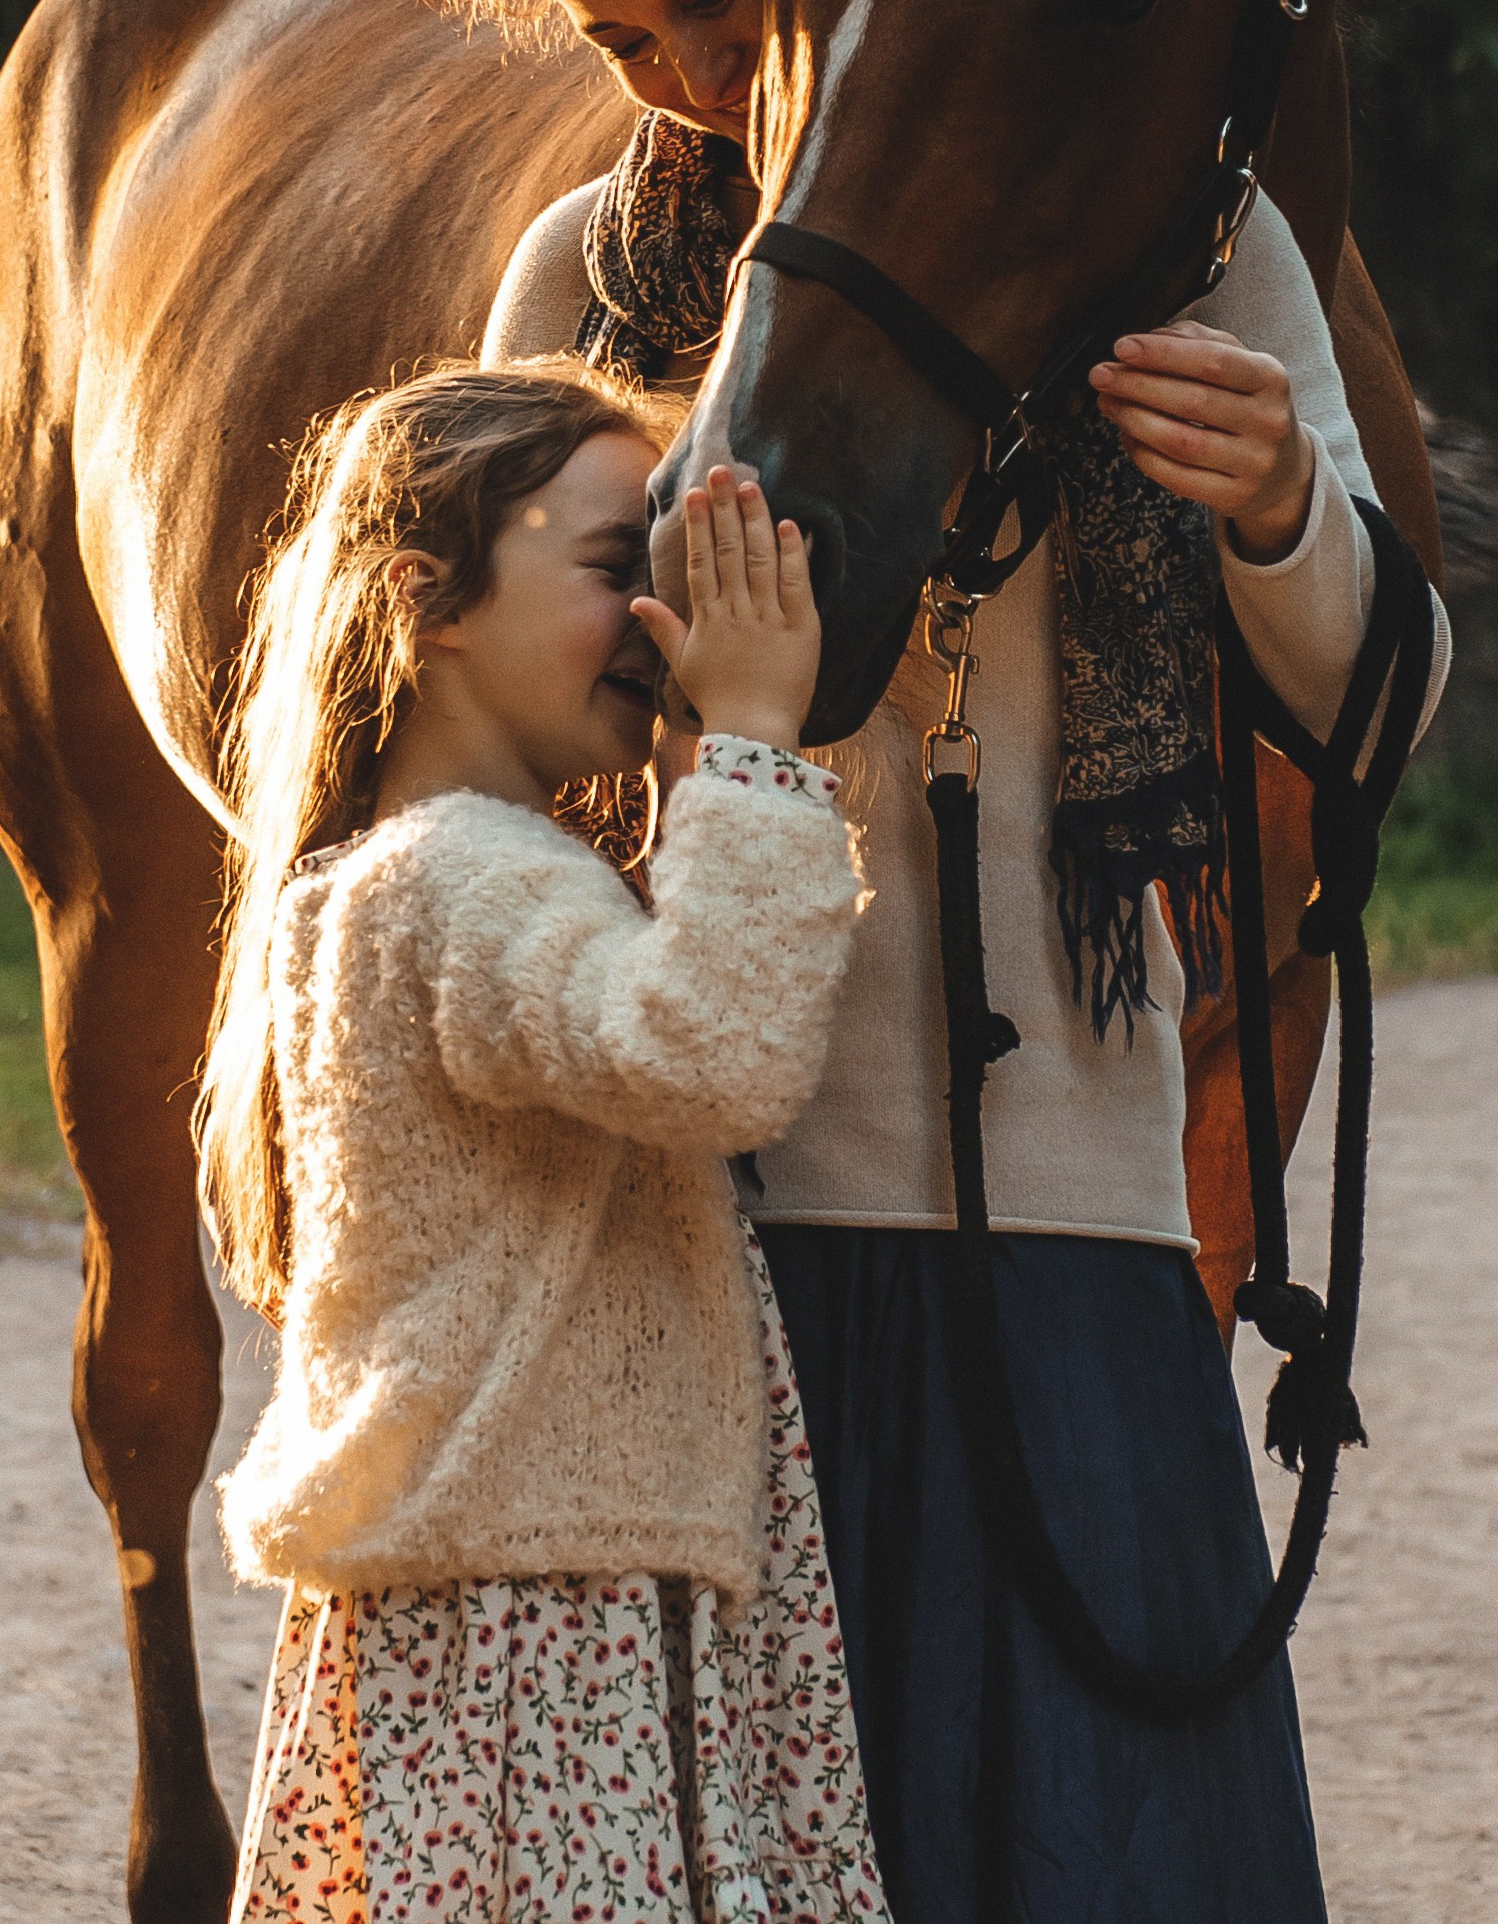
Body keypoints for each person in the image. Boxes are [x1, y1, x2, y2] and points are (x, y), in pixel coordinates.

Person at [421, 0, 1455, 1924]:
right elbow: (485, 775)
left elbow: (1381, 721)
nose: (684, 80)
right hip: (718, 1247)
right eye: (619, 37)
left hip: (1082, 1253)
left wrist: (1284, 507)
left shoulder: (1186, 254)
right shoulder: (591, 287)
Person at [196, 357, 887, 1921]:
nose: (659, 623)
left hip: (498, 1575)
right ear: (426, 603)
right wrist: (761, 730)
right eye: (611, 569)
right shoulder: (464, 879)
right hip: (542, 1602)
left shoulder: (393, 873)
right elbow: (712, 1051)